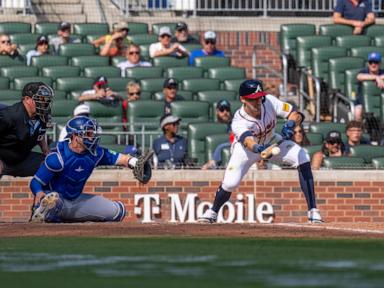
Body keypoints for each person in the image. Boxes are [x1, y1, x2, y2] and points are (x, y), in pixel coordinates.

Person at [198, 79, 323, 224]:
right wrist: (258, 149)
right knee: (230, 183)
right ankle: (213, 211)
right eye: (253, 99)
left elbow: (296, 114)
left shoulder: (268, 101)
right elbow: (248, 141)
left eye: (259, 97)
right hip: (246, 150)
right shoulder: (238, 120)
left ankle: (313, 210)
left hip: (272, 140)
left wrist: (290, 123)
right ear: (243, 99)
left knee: (302, 157)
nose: (258, 101)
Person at [29, 115, 153, 223]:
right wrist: (39, 193)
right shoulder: (57, 157)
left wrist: (134, 162)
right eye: (88, 134)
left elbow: (123, 159)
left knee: (118, 211)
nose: (92, 137)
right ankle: (43, 213)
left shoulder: (95, 153)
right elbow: (35, 182)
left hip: (76, 200)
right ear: (75, 136)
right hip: (56, 199)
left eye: (92, 133)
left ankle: (66, 217)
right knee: (54, 200)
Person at [0, 82, 53, 177]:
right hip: (3, 159)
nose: (45, 103)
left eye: (46, 100)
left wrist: (45, 149)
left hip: (23, 159)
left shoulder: (43, 115)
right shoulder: (9, 115)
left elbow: (40, 132)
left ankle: (46, 192)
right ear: (27, 99)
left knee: (53, 165)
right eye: (41, 99)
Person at [201, 99, 233, 170]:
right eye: (222, 109)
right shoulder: (210, 127)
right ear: (217, 111)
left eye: (227, 109)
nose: (225, 112)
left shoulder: (235, 126)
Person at [355, 52, 384, 121]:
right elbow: (359, 77)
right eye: (371, 62)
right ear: (368, 63)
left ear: (380, 63)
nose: (373, 64)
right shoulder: (364, 71)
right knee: (357, 112)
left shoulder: (382, 72)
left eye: (376, 62)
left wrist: (380, 77)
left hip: (381, 102)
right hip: (362, 102)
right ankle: (360, 130)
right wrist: (376, 78)